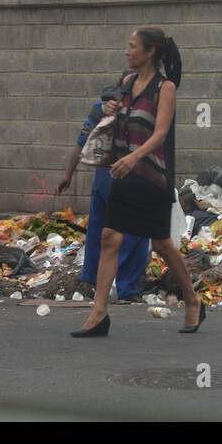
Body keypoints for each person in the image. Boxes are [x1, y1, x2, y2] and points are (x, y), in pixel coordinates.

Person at [72, 27, 204, 337]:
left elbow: (160, 132)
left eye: (132, 47)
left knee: (161, 245)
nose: (126, 52)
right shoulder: (126, 83)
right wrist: (110, 110)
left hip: (151, 178)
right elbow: (118, 119)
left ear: (150, 52)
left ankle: (193, 300)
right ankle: (99, 313)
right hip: (123, 174)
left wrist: (134, 158)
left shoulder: (165, 88)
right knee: (109, 237)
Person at [57, 82, 152, 301]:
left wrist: (67, 174)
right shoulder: (135, 112)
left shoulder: (97, 109)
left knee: (99, 230)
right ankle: (127, 288)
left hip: (101, 179)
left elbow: (80, 144)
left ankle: (92, 280)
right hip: (126, 176)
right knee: (135, 232)